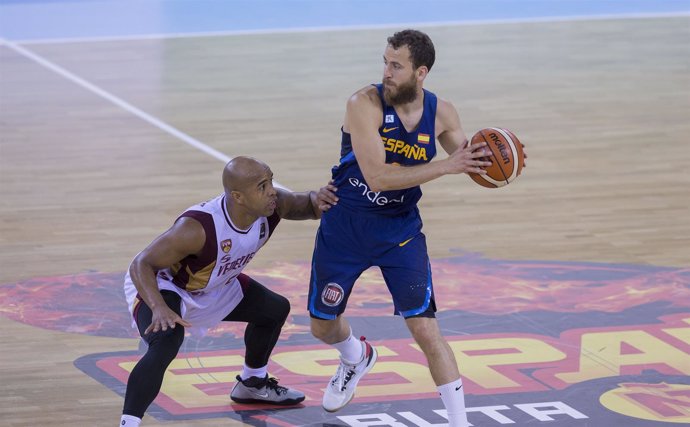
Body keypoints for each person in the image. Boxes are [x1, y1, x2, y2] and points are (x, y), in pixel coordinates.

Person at [308, 29, 527, 426]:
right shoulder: (364, 103)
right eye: (385, 62)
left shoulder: (442, 113)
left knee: (426, 330)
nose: (386, 72)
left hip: (400, 233)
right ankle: (356, 357)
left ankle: (460, 422)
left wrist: (496, 160)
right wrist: (447, 166)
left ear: (420, 72)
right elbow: (376, 176)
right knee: (322, 326)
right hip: (346, 227)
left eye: (397, 65)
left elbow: (468, 157)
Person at [120, 156, 336, 427]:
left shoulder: (273, 204)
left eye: (270, 180)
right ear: (238, 196)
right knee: (166, 342)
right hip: (167, 286)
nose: (272, 190)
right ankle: (129, 422)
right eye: (262, 186)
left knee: (274, 309)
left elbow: (306, 204)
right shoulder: (197, 228)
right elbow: (142, 263)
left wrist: (323, 198)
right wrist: (159, 307)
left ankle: (252, 383)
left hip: (215, 284)